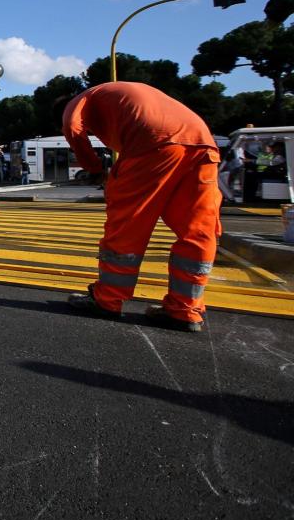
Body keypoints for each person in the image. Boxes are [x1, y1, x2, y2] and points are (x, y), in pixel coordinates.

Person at [60, 82, 220, 333]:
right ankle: (185, 309)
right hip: (202, 142)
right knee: (198, 229)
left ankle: (108, 299)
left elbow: (72, 128)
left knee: (127, 225)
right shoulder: (118, 93)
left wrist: (92, 168)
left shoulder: (80, 100)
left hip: (154, 143)